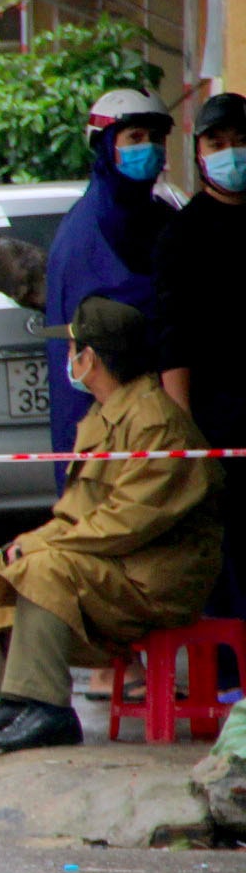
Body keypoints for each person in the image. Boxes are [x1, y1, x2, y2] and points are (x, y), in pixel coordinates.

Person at [0, 296, 224, 753]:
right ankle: (13, 701)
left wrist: (43, 549)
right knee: (14, 561)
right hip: (116, 571)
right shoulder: (102, 418)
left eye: (72, 349)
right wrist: (30, 542)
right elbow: (77, 512)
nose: (68, 360)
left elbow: (126, 522)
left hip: (151, 581)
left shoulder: (156, 424)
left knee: (42, 567)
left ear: (89, 358)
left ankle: (47, 709)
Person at [43, 88, 176, 475]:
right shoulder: (92, 226)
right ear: (104, 146)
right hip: (108, 413)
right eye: (134, 138)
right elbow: (122, 311)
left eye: (156, 138)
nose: (148, 148)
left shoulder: (155, 214)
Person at [153, 90, 246, 615]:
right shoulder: (181, 235)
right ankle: (235, 681)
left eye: (240, 140)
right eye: (218, 142)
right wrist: (185, 435)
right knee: (228, 556)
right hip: (219, 427)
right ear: (199, 152)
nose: (231, 152)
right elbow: (174, 337)